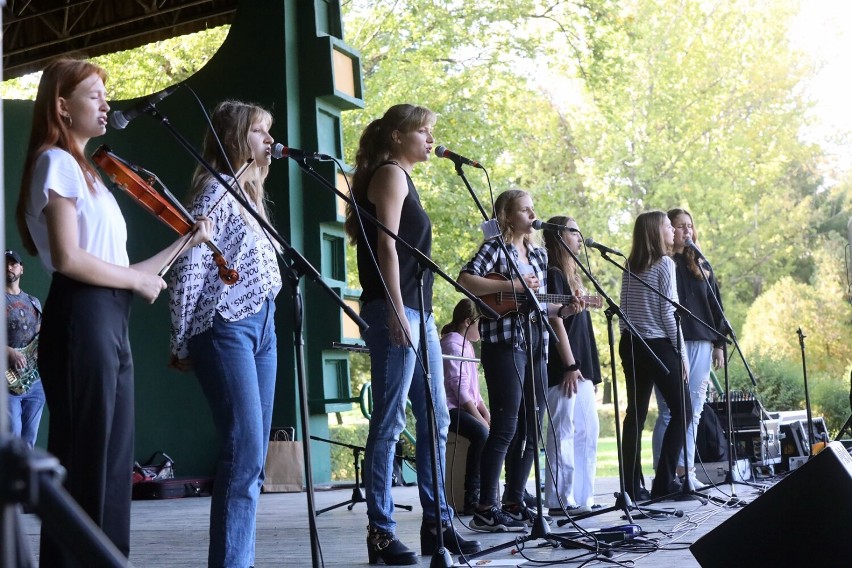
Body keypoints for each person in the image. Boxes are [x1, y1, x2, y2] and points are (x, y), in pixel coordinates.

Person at [16, 58, 212, 565]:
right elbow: (69, 259)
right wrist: (138, 280)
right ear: (62, 106)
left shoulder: (92, 175)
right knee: (86, 463)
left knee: (112, 463)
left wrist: (184, 243)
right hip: (82, 317)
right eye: (94, 95)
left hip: (109, 316)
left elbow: (126, 270)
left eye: (107, 95)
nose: (107, 104)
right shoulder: (56, 162)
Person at [343, 103, 480, 564]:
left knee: (437, 418)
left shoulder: (404, 176)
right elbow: (386, 245)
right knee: (389, 421)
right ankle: (380, 533)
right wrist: (399, 314)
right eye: (421, 131)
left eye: (429, 131)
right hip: (394, 310)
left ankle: (436, 524)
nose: (428, 138)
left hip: (417, 310)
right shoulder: (390, 175)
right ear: (397, 136)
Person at [168, 100, 282, 568]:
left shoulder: (251, 197)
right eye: (259, 132)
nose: (269, 141)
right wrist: (178, 339)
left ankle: (241, 559)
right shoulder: (213, 193)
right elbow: (188, 269)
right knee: (243, 449)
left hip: (264, 326)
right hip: (225, 326)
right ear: (235, 138)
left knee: (254, 458)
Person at [457, 189, 568, 532]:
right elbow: (464, 280)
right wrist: (516, 287)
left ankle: (514, 500)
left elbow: (542, 306)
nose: (532, 213)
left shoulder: (536, 255)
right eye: (524, 209)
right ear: (507, 215)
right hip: (504, 346)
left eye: (533, 207)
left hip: (536, 345)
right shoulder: (495, 248)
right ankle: (485, 508)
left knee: (532, 429)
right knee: (506, 425)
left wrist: (565, 307)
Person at [618, 210, 691, 502]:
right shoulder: (664, 265)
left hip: (631, 343)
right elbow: (668, 313)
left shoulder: (628, 264)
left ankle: (630, 488)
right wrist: (682, 354)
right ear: (655, 231)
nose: (673, 229)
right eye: (667, 225)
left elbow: (623, 310)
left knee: (635, 414)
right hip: (658, 343)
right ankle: (664, 481)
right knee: (683, 408)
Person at [651, 208, 725, 489]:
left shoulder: (702, 264)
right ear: (668, 230)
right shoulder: (661, 262)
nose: (686, 231)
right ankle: (664, 473)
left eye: (689, 226)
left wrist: (719, 343)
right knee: (670, 411)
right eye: (679, 226)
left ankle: (687, 471)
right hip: (670, 342)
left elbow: (716, 307)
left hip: (702, 340)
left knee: (694, 408)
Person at [541, 216, 602, 516]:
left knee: (588, 429)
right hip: (566, 364)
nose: (580, 237)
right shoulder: (553, 272)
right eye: (573, 231)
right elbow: (555, 320)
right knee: (562, 430)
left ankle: (583, 497)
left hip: (582, 364)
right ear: (558, 236)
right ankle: (559, 500)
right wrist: (569, 364)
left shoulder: (573, 273)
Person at [440, 298, 490, 515]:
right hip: (450, 409)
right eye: (479, 324)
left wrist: (486, 414)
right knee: (481, 433)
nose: (481, 330)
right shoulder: (452, 343)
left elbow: (474, 391)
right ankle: (472, 496)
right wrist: (481, 421)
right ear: (468, 321)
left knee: (495, 431)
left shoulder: (467, 345)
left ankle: (494, 492)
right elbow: (459, 391)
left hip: (463, 406)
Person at [5, 249, 45, 449]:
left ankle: (25, 480)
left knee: (29, 439)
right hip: (7, 379)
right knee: (12, 434)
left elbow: (40, 335)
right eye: (4, 263)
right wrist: (10, 352)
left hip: (35, 381)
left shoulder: (33, 302)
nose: (8, 267)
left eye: (13, 263)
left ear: (22, 269)